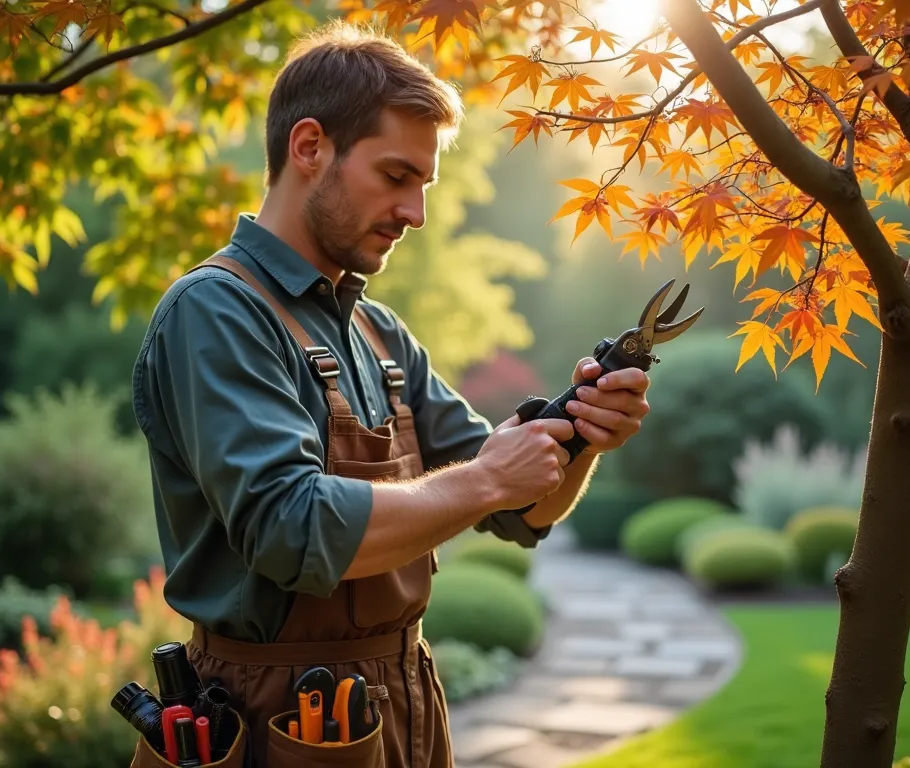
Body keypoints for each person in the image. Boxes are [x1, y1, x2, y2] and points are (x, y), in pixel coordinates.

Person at [128, 20, 652, 768]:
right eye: (396, 177)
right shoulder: (215, 312)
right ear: (309, 148)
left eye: (423, 186)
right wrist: (486, 477)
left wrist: (578, 437)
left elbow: (515, 506)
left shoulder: (377, 331)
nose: (416, 214)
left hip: (403, 697)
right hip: (275, 715)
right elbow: (291, 527)